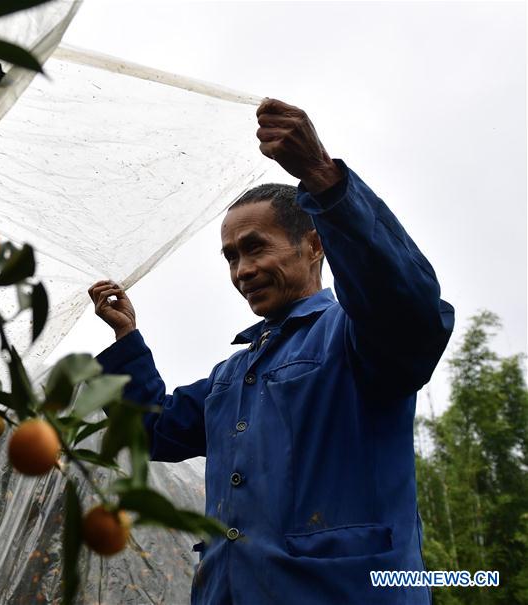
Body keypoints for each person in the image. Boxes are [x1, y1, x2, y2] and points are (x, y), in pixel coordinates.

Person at [87, 98, 454, 604]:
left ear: (315, 244)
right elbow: (153, 432)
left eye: (256, 247)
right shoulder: (234, 373)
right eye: (231, 257)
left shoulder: (356, 337)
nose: (242, 270)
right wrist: (127, 341)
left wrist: (323, 179)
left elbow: (408, 310)